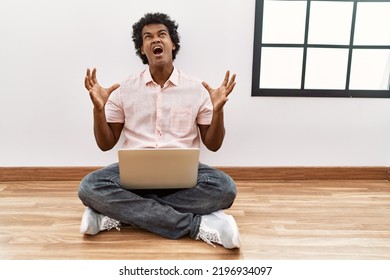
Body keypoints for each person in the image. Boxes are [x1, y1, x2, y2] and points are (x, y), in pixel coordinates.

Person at [78, 12, 240, 249]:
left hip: (184, 176)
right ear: (142, 49)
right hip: (134, 175)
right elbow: (105, 144)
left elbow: (213, 144)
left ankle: (116, 213)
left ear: (172, 43)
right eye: (148, 37)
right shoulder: (124, 89)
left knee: (225, 189)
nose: (156, 40)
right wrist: (98, 110)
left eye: (162, 34)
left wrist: (218, 111)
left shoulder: (196, 88)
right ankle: (198, 225)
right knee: (89, 187)